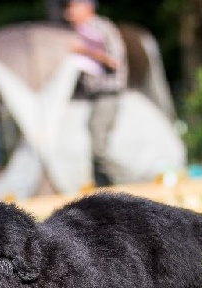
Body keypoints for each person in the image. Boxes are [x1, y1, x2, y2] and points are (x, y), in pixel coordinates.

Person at [65, 0, 128, 187]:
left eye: (72, 8)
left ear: (87, 7)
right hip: (93, 96)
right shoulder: (79, 31)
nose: (68, 14)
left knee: (98, 146)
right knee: (94, 145)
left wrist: (84, 51)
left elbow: (115, 61)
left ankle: (130, 180)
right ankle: (103, 193)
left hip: (108, 93)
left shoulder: (102, 28)